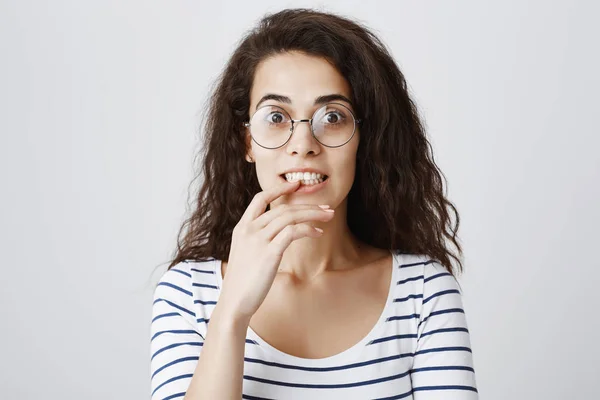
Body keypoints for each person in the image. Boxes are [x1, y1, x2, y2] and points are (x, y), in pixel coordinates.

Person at [150, 8, 478, 400]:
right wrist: (231, 314)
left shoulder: (424, 292)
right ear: (247, 142)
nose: (303, 144)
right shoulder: (186, 294)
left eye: (333, 116)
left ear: (364, 139)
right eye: (276, 116)